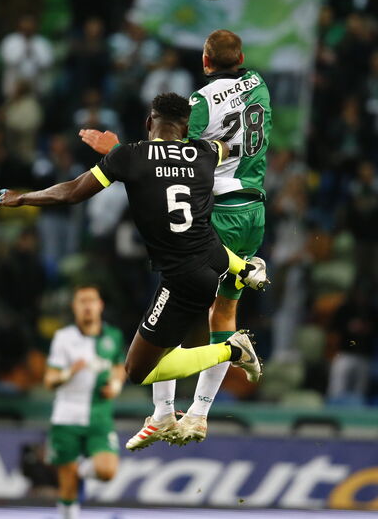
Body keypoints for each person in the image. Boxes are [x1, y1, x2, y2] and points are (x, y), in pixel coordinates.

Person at [0, 92, 267, 406]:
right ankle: (245, 268)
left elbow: (71, 193)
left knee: (137, 370)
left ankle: (234, 349)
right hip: (212, 258)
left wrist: (24, 197)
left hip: (182, 280)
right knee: (200, 234)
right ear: (186, 128)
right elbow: (227, 147)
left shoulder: (129, 157)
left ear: (149, 122)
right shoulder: (204, 152)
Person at [80, 29, 271, 448]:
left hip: (214, 211)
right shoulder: (259, 85)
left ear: (205, 62)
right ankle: (198, 415)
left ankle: (165, 414)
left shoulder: (200, 103)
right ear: (240, 58)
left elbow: (169, 148)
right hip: (253, 210)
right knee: (222, 315)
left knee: (175, 307)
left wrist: (117, 150)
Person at [45, 285, 124, 519]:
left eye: (92, 301)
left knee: (107, 471)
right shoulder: (64, 338)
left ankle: (79, 470)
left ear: (100, 305)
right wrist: (69, 373)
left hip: (100, 416)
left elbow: (120, 367)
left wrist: (116, 385)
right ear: (74, 307)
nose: (87, 306)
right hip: (67, 417)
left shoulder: (113, 337)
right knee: (67, 489)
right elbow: (49, 380)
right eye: (82, 301)